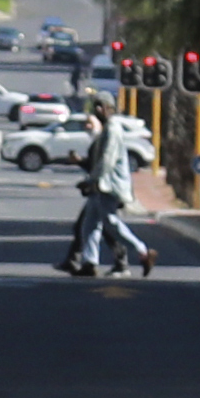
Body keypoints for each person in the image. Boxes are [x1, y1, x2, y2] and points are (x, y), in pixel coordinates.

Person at [59, 109, 153, 277]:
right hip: (98, 187)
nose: (88, 126)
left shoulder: (112, 131)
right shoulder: (102, 135)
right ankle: (90, 263)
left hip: (108, 187)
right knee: (88, 226)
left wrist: (90, 180)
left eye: (91, 120)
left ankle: (142, 251)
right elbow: (96, 162)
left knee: (111, 224)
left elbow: (106, 162)